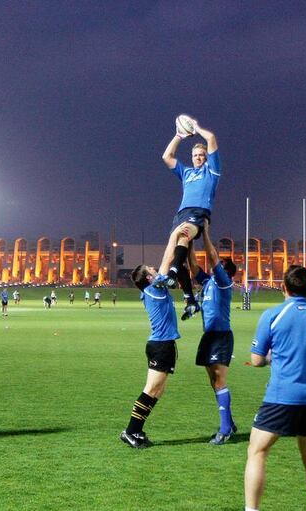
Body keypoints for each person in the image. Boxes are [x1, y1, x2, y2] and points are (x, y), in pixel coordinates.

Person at [245, 265, 306, 511]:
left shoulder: (272, 314)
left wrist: (270, 359)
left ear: (283, 287)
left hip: (281, 396)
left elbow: (256, 360)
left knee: (257, 451)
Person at [156, 116, 220, 321]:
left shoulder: (212, 171)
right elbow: (166, 156)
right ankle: (189, 299)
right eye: (195, 155)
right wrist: (179, 135)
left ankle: (170, 275)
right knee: (178, 253)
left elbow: (211, 138)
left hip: (198, 214)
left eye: (201, 155)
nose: (198, 158)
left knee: (182, 236)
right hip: (181, 213)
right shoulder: (186, 172)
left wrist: (196, 127)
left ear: (207, 157)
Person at [120, 258, 181, 448]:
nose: (155, 269)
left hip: (165, 345)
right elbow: (167, 259)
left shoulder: (157, 288)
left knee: (158, 391)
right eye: (151, 269)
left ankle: (136, 430)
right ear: (149, 277)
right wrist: (176, 236)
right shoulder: (153, 289)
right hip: (160, 346)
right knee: (151, 389)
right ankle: (130, 431)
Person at [187, 226, 238, 444]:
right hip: (209, 337)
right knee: (213, 381)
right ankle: (230, 423)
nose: (216, 266)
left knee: (219, 381)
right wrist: (188, 240)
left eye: (221, 266)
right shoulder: (208, 282)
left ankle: (225, 429)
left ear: (227, 271)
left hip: (221, 337)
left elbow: (212, 256)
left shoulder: (224, 282)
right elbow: (192, 266)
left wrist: (205, 232)